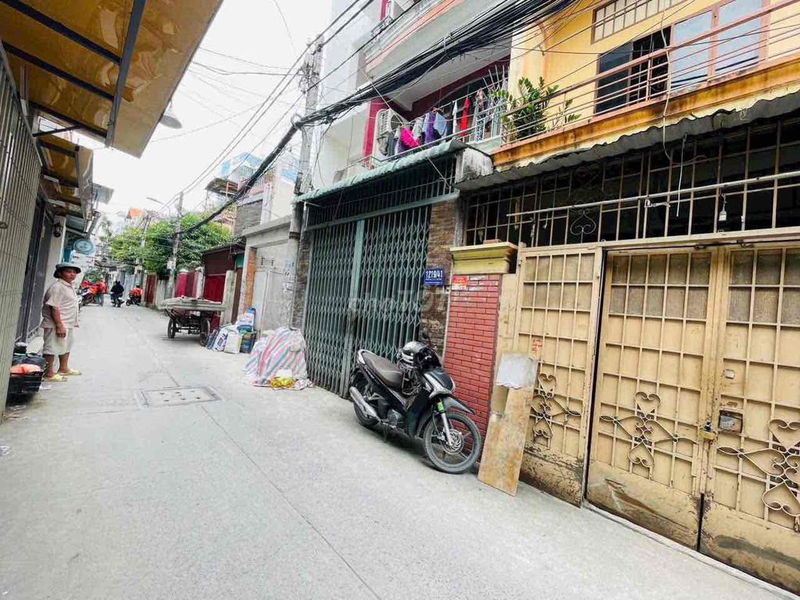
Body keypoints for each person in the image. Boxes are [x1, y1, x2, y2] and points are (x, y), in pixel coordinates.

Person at [41, 263, 82, 382]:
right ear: (60, 273)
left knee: (66, 346)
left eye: (74, 272)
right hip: (56, 324)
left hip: (67, 323)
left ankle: (63, 368)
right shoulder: (57, 287)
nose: (72, 274)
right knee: (51, 348)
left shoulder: (68, 286)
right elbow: (54, 307)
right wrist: (59, 326)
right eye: (68, 271)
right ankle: (48, 374)